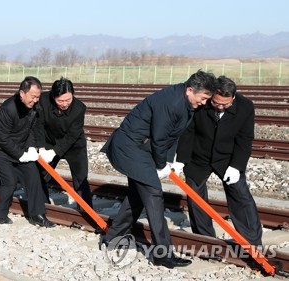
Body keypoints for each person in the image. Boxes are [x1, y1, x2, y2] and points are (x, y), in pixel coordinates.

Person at [99, 70, 218, 268]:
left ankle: (111, 237)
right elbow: (161, 138)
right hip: (131, 147)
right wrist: (160, 165)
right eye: (203, 98)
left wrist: (168, 162)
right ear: (190, 90)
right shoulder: (172, 103)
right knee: (154, 196)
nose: (204, 102)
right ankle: (162, 253)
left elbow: (173, 135)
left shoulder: (184, 101)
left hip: (142, 148)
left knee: (138, 195)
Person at [173, 76, 262, 246]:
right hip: (199, 156)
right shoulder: (201, 103)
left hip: (227, 158)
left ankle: (252, 242)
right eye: (216, 103)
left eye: (225, 104)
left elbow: (245, 139)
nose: (220, 107)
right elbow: (188, 132)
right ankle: (205, 239)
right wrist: (181, 160)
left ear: (233, 98)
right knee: (196, 198)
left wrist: (236, 166)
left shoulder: (245, 106)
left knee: (241, 196)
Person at [0, 76, 54, 227]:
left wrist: (33, 148)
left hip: (18, 145)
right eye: (33, 96)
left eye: (38, 97)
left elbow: (31, 129)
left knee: (33, 175)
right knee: (10, 181)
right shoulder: (8, 109)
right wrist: (21, 155)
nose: (35, 100)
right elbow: (2, 138)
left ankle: (37, 215)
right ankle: (0, 215)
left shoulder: (34, 106)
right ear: (22, 93)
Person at [34, 77, 93, 208]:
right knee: (40, 174)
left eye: (68, 100)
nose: (65, 104)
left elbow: (72, 135)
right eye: (60, 101)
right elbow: (38, 124)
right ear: (53, 97)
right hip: (49, 141)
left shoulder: (79, 108)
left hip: (74, 146)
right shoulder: (43, 100)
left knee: (81, 178)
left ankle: (86, 210)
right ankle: (42, 205)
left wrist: (55, 152)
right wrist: (42, 148)